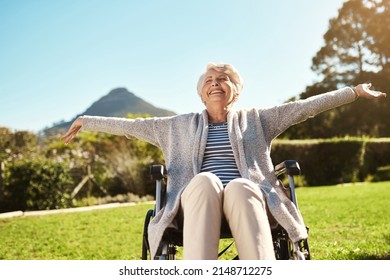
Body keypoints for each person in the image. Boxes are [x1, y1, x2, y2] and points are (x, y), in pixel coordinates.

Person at [62, 63, 386, 260]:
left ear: (236, 91)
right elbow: (131, 127)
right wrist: (86, 120)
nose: (216, 82)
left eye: (224, 78)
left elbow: (305, 107)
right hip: (195, 203)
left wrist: (353, 92)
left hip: (248, 201)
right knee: (204, 181)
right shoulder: (174, 126)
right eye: (209, 80)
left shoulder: (258, 120)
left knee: (243, 186)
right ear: (201, 94)